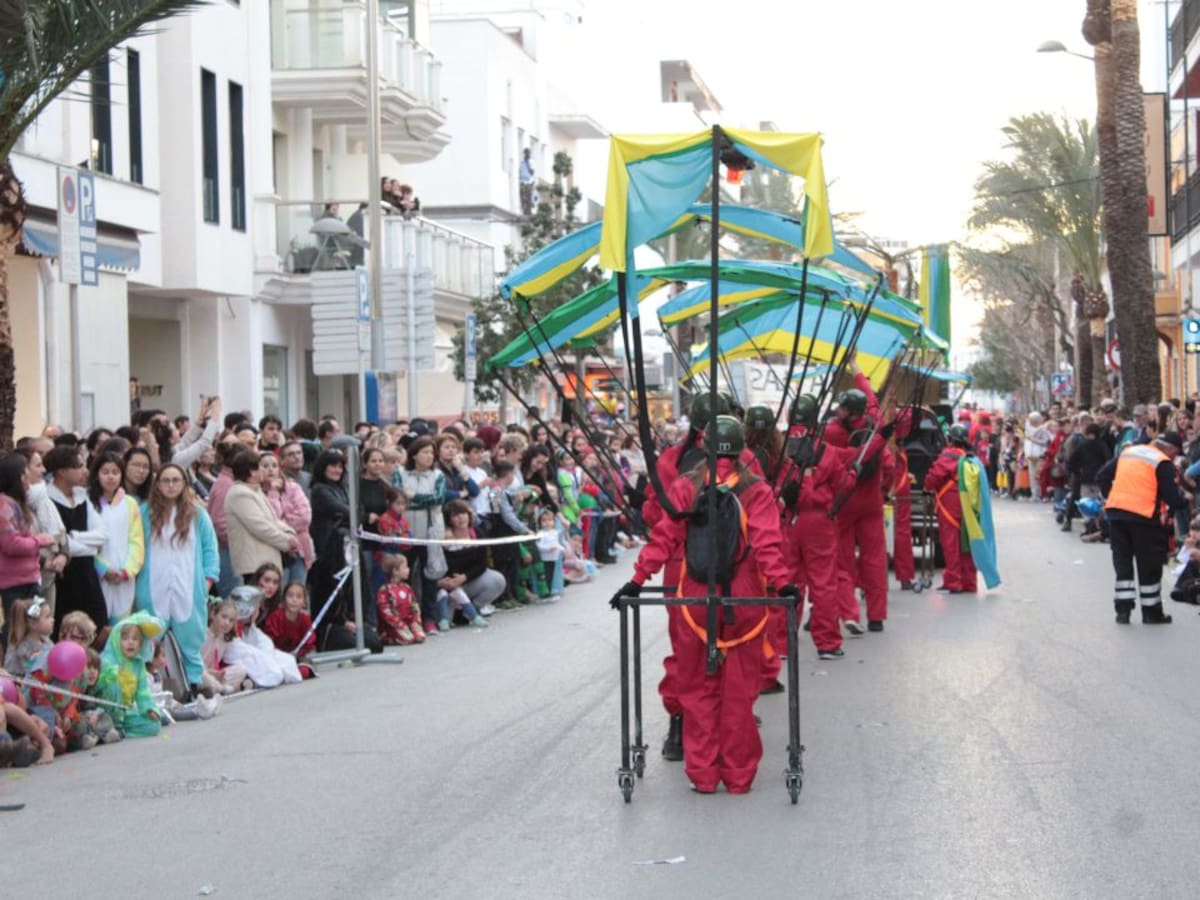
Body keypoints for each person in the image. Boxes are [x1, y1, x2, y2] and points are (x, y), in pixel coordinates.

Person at [617, 416, 796, 795]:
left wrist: (636, 579)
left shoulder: (686, 484)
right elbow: (767, 545)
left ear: (705, 444)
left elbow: (664, 537)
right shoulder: (756, 489)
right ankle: (738, 775)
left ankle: (702, 773)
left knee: (697, 688)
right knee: (739, 691)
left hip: (693, 598)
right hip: (743, 599)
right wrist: (782, 585)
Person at [133, 463, 218, 696]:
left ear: (184, 484)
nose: (171, 486)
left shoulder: (197, 514)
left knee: (190, 635)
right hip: (153, 584)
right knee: (150, 636)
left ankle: (193, 683)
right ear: (157, 484)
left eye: (176, 481)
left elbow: (210, 548)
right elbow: (135, 544)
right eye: (166, 481)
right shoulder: (144, 513)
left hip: (189, 584)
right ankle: (150, 686)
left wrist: (207, 580)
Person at [1097, 431, 1191, 625]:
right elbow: (1172, 498)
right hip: (1144, 518)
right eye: (1176, 452)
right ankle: (1151, 612)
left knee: (1123, 563)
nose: (1175, 456)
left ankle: (1123, 611)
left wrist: (1114, 497)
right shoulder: (1162, 462)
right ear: (1170, 448)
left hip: (1117, 513)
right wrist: (1185, 502)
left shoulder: (1130, 452)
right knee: (1149, 566)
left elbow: (1102, 476)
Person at [823, 360, 890, 633]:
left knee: (843, 560)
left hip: (844, 501)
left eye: (841, 407)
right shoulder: (876, 424)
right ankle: (876, 616)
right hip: (872, 500)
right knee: (875, 559)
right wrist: (857, 370)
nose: (837, 410)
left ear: (849, 412)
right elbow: (872, 398)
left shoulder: (832, 433)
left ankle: (849, 611)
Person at [44, 445, 108, 637]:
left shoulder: (83, 496)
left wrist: (73, 537)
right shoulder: (47, 499)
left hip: (87, 573)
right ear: (62, 471)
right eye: (79, 466)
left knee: (99, 627)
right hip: (64, 575)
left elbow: (102, 535)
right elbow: (57, 542)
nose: (85, 471)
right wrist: (84, 547)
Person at [0, 454, 57, 652]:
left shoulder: (15, 504)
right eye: (25, 474)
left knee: (31, 626)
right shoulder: (4, 505)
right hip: (14, 581)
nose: (30, 479)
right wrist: (39, 541)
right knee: (17, 627)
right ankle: (12, 669)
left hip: (27, 577)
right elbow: (10, 543)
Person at [223, 451, 299, 583]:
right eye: (261, 467)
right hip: (255, 565)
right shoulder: (240, 494)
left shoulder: (254, 490)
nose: (264, 471)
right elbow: (260, 527)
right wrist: (286, 541)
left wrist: (289, 533)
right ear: (252, 472)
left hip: (266, 563)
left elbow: (273, 520)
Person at [87, 452, 145, 623]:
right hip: (97, 577)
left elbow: (137, 541)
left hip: (124, 578)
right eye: (105, 472)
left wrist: (128, 570)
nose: (110, 477)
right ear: (97, 474)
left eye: (115, 472)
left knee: (120, 629)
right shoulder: (88, 502)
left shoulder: (130, 503)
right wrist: (103, 569)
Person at [399, 436, 447, 633]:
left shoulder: (437, 476)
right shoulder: (401, 473)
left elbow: (438, 499)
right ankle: (406, 618)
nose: (429, 456)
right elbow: (399, 498)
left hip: (430, 532)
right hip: (405, 532)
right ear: (414, 454)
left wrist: (414, 497)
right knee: (404, 575)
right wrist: (412, 500)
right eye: (425, 452)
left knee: (429, 579)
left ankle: (429, 618)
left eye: (431, 452)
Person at [925, 425, 979, 594]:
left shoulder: (949, 455)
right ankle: (970, 582)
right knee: (966, 545)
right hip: (968, 506)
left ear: (950, 439)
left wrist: (927, 487)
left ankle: (954, 582)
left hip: (950, 504)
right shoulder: (970, 458)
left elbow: (934, 476)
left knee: (951, 544)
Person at [96, 611, 165, 738]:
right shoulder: (105, 660)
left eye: (135, 639)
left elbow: (143, 692)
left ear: (141, 644)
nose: (130, 642)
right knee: (113, 683)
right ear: (116, 640)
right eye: (125, 638)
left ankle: (121, 732)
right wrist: (111, 675)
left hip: (126, 714)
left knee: (154, 726)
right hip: (104, 711)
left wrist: (149, 709)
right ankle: (110, 729)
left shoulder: (138, 665)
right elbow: (96, 687)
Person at [441, 499, 507, 617]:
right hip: (449, 584)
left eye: (463, 513)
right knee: (446, 618)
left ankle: (473, 609)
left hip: (468, 580)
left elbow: (482, 564)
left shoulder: (477, 534)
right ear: (449, 519)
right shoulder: (444, 538)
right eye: (456, 515)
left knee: (497, 579)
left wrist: (464, 577)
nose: (461, 518)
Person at [261, 451, 312, 586]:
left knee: (297, 590)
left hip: (299, 548)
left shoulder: (293, 487)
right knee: (279, 591)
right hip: (274, 550)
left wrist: (283, 523)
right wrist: (272, 492)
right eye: (265, 466)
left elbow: (304, 517)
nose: (271, 469)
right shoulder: (257, 493)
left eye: (274, 465)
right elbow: (271, 518)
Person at [201, 599, 250, 695]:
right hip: (201, 674)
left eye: (231, 620)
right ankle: (223, 689)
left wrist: (218, 674)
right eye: (223, 617)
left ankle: (216, 689)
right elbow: (195, 666)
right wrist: (211, 673)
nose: (227, 623)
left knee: (241, 670)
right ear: (213, 615)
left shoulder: (225, 639)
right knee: (202, 675)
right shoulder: (202, 635)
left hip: (215, 676)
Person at [261, 581, 317, 662]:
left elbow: (309, 644)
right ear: (284, 598)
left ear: (304, 601)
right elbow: (268, 641)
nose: (294, 600)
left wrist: (298, 654)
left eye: (298, 597)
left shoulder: (305, 619)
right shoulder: (275, 617)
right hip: (276, 657)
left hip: (297, 657)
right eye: (290, 596)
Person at [376, 555, 425, 645]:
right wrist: (399, 624)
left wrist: (415, 621)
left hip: (408, 622)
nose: (408, 569)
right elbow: (385, 611)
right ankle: (386, 637)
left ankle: (409, 631)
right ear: (395, 571)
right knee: (407, 639)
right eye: (405, 567)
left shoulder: (407, 588)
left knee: (420, 637)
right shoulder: (385, 589)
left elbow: (414, 605)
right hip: (393, 625)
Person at [519, 148, 536, 216]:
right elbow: (520, 171)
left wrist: (528, 163)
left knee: (529, 196)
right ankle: (525, 210)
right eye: (526, 153)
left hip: (529, 182)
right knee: (524, 196)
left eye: (528, 153)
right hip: (523, 181)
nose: (527, 155)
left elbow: (532, 172)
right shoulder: (522, 162)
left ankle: (529, 211)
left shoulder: (531, 161)